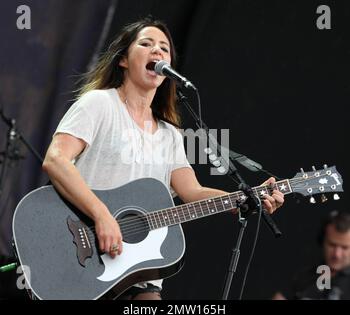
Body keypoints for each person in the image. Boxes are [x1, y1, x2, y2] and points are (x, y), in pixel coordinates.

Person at [42, 17, 285, 300]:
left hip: (139, 269)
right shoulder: (99, 104)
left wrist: (245, 199)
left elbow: (192, 191)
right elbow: (56, 159)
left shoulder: (170, 134)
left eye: (164, 49)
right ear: (123, 60)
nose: (157, 52)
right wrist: (102, 216)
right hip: (85, 249)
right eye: (146, 44)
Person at [273, 210, 350, 300]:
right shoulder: (303, 278)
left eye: (344, 247)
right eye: (332, 245)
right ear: (322, 241)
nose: (337, 254)